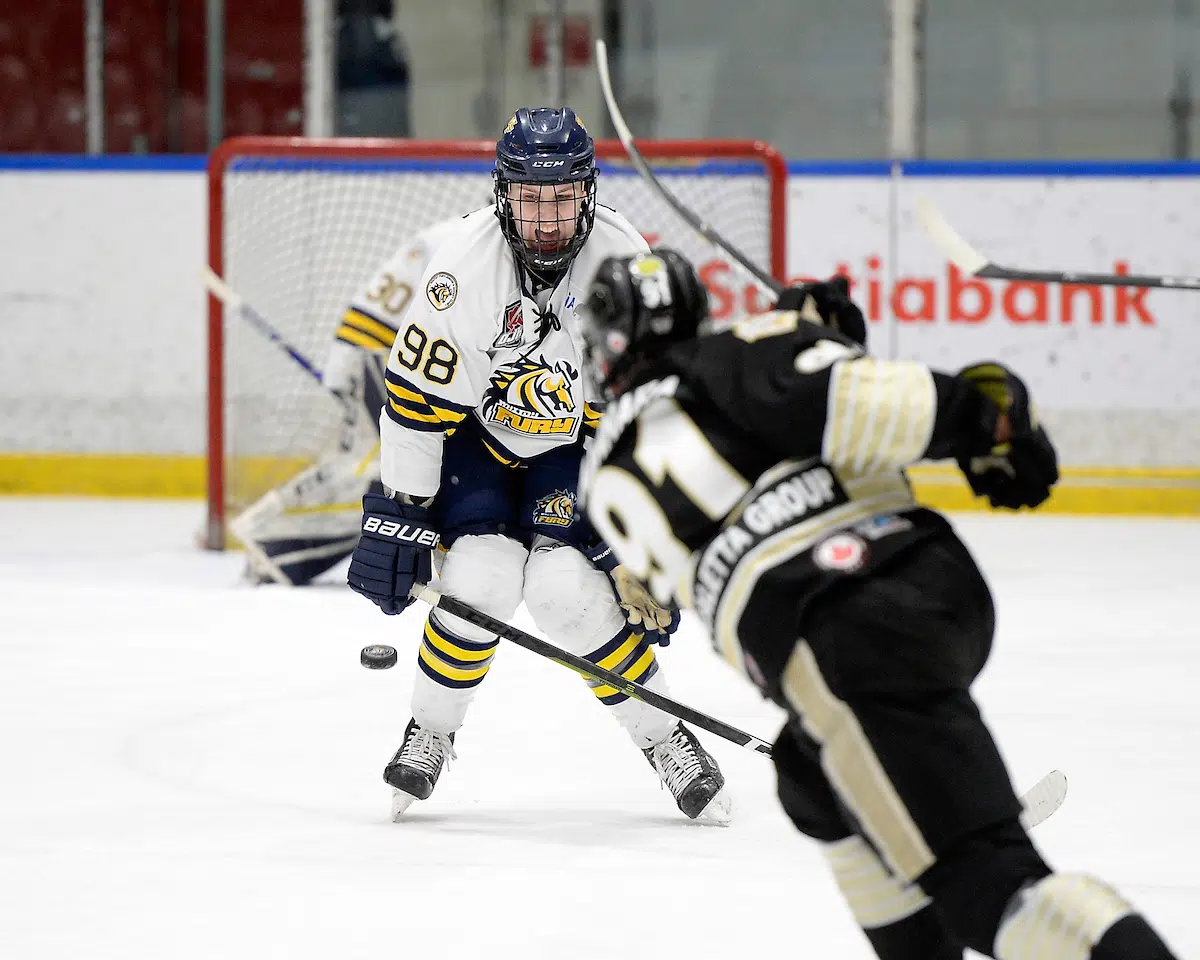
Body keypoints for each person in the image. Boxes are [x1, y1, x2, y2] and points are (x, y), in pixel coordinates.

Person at [576, 249, 1179, 960]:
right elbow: (853, 404)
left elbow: (744, 453)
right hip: (928, 579)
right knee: (810, 777)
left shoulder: (603, 475)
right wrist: (983, 417)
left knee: (991, 885)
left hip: (840, 638)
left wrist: (801, 335)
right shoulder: (741, 351)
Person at [346, 108, 730, 823]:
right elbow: (414, 404)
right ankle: (431, 730)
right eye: (530, 199)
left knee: (563, 591)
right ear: (503, 196)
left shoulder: (622, 260)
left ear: (586, 193)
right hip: (476, 444)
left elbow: (637, 416)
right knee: (481, 580)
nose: (547, 218)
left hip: (574, 453)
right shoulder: (458, 272)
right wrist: (401, 514)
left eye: (561, 199)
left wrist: (634, 539)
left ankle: (664, 734)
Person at [233, 215, 466, 586]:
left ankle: (280, 548)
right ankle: (278, 545)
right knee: (395, 469)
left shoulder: (473, 239)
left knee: (394, 469)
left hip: (404, 363)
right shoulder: (456, 237)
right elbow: (376, 311)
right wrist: (345, 366)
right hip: (388, 360)